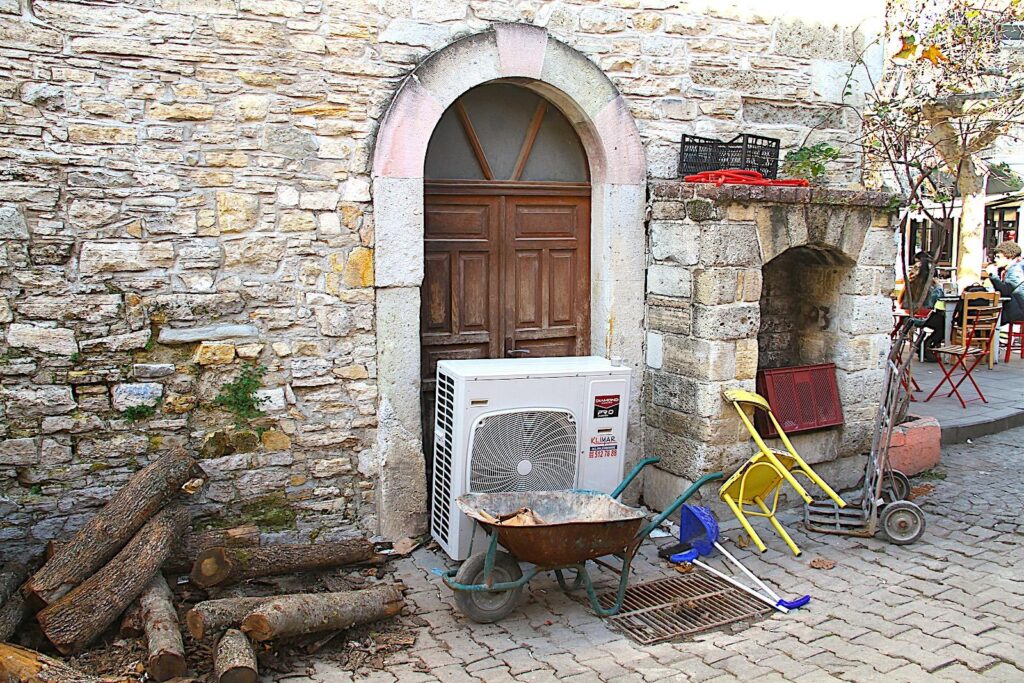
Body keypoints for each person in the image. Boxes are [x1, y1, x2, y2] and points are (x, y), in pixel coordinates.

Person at [985, 240, 1024, 323]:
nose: (995, 259)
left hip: (1018, 309)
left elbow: (1005, 291)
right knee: (983, 315)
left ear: (1009, 257)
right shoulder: (1009, 269)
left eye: (998, 257)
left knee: (984, 318)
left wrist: (992, 275)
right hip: (1013, 307)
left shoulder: (1017, 270)